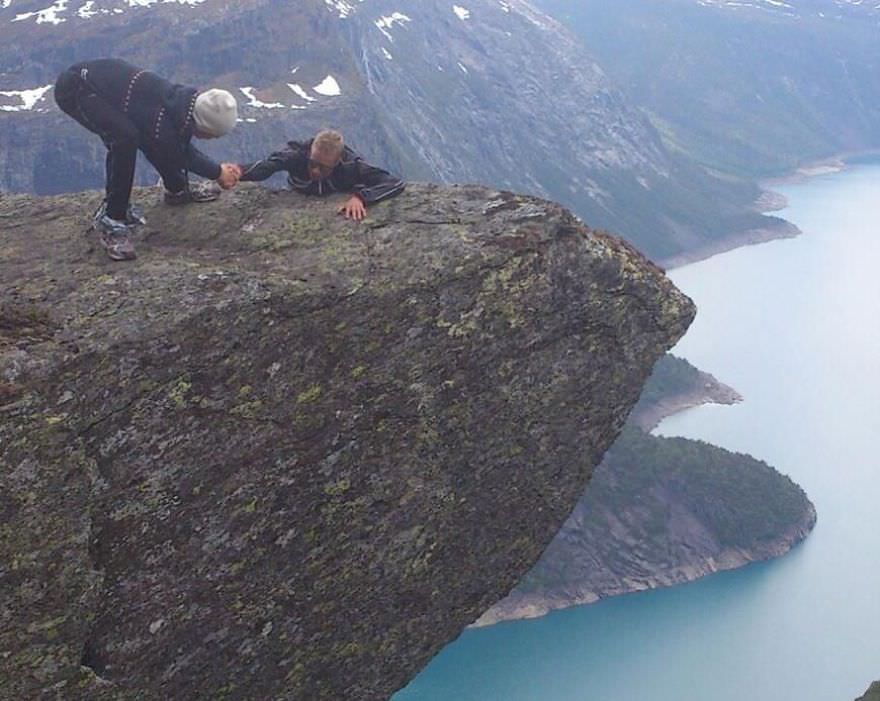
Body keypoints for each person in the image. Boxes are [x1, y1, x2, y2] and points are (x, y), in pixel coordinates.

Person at [54, 58, 241, 261]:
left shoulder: (181, 103)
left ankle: (176, 189)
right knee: (125, 139)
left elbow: (171, 143)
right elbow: (181, 154)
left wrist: (216, 171)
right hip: (76, 89)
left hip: (99, 82)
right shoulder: (163, 121)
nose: (212, 139)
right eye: (214, 134)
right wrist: (218, 172)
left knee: (147, 136)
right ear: (204, 125)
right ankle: (112, 219)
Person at [237, 130, 405, 221]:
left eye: (324, 168)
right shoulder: (297, 155)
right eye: (313, 163)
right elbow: (267, 166)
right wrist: (236, 171)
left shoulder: (351, 166)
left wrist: (361, 198)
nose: (315, 171)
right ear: (310, 152)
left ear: (338, 161)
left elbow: (394, 183)